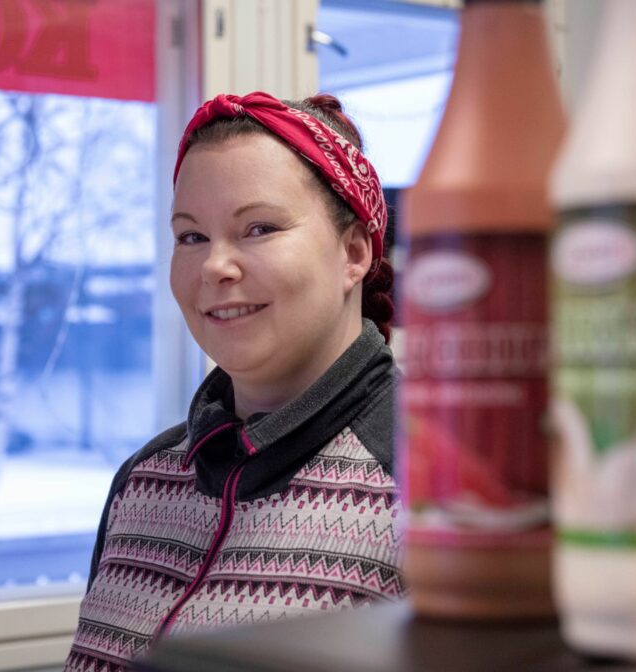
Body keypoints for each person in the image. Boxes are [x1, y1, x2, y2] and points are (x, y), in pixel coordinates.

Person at [64, 91, 402, 672]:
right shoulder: (144, 481)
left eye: (259, 228)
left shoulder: (436, 486)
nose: (214, 266)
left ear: (354, 252)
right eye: (191, 237)